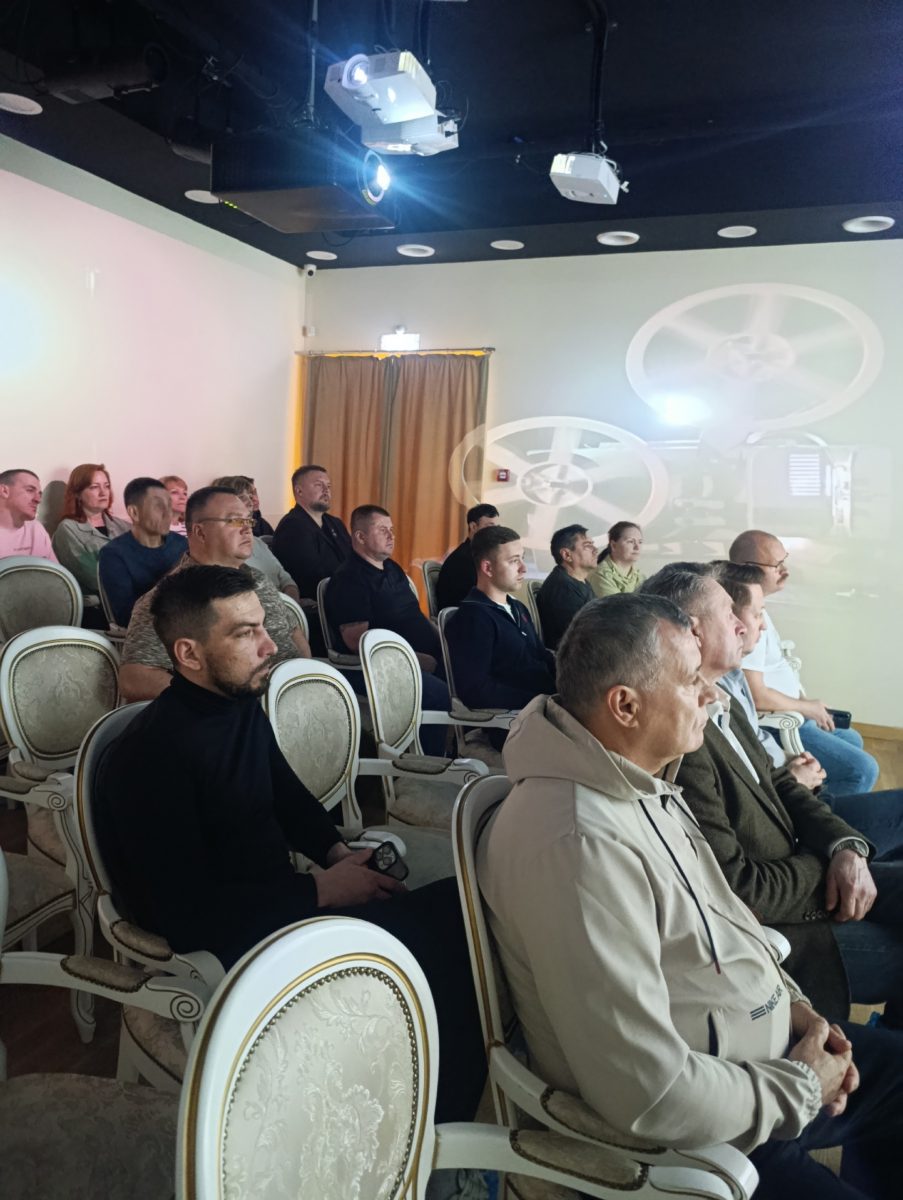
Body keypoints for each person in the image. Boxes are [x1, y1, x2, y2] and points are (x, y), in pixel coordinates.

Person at [479, 592, 903, 1199]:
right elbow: (647, 1092)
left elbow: (732, 924)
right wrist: (802, 1087)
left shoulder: (640, 784)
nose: (713, 695)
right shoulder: (578, 844)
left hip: (765, 1064)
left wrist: (800, 1013)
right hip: (700, 1145)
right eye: (690, 680)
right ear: (625, 705)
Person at [97, 564, 483, 1122]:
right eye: (245, 633)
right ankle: (431, 1130)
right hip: (243, 947)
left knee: (462, 910)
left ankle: (436, 1111)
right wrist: (322, 891)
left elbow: (288, 798)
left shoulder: (236, 704)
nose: (270, 645)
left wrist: (337, 855)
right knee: (443, 956)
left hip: (286, 907)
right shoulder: (149, 757)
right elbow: (187, 917)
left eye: (263, 626)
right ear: (188, 654)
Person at [642, 564, 903, 1028]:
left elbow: (780, 783)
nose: (746, 627)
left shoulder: (719, 699)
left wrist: (845, 846)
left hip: (798, 871)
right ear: (693, 632)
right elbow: (739, 889)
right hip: (784, 927)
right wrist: (827, 862)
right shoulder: (685, 739)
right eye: (731, 615)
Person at [119, 486, 310, 702]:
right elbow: (133, 679)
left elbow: (293, 631)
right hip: (241, 710)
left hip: (297, 700)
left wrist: (307, 678)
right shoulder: (171, 598)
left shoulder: (258, 579)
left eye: (248, 521)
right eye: (235, 521)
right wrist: (218, 701)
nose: (247, 529)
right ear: (200, 532)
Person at [730, 529, 879, 796]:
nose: (785, 571)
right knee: (863, 770)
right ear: (747, 567)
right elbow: (755, 695)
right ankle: (815, 816)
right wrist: (807, 708)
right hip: (779, 723)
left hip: (795, 714)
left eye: (784, 561)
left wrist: (808, 705)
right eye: (777, 565)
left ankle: (821, 797)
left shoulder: (758, 608)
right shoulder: (745, 620)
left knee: (853, 738)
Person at [714, 561, 826, 789]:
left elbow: (755, 740)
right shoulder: (714, 695)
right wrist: (792, 780)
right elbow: (743, 786)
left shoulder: (734, 676)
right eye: (777, 564)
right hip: (783, 781)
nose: (763, 626)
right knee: (862, 769)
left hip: (784, 772)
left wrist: (790, 760)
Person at [445, 526, 555, 717]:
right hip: (518, 720)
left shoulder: (518, 608)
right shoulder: (473, 618)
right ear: (487, 568)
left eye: (522, 558)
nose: (523, 568)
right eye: (514, 561)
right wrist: (539, 701)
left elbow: (540, 655)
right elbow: (476, 691)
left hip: (546, 705)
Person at [97, 478, 187, 627]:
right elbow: (125, 617)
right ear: (134, 513)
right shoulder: (114, 554)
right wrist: (171, 578)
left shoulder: (182, 544)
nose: (168, 514)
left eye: (169, 505)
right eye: (158, 506)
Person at [51, 463, 131, 627]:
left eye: (106, 486)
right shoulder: (68, 529)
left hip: (130, 604)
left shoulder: (124, 526)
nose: (103, 492)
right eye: (94, 487)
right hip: (97, 610)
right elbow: (95, 578)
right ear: (78, 494)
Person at [210, 475, 298, 600]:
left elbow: (286, 579)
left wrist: (292, 603)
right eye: (248, 497)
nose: (253, 501)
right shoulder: (221, 552)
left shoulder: (259, 543)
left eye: (253, 495)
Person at [271, 465, 352, 600]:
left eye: (328, 486)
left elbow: (352, 559)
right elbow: (310, 578)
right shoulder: (292, 527)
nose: (326, 490)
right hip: (321, 601)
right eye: (318, 485)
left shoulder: (335, 523)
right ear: (299, 491)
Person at [535, 523, 596, 650]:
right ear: (567, 555)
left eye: (592, 544)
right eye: (587, 546)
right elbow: (581, 639)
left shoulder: (578, 580)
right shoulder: (562, 590)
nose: (595, 550)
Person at [435, 503, 500, 613]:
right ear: (473, 527)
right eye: (490, 527)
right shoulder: (462, 559)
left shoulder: (478, 555)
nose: (495, 532)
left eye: (497, 528)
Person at [0, 469, 56, 561]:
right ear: (4, 491)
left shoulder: (36, 529)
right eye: (30, 490)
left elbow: (53, 569)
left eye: (39, 494)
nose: (38, 500)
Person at [589, 521, 644, 597]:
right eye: (630, 541)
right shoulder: (600, 575)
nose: (637, 547)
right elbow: (618, 604)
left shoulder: (640, 577)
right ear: (614, 545)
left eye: (640, 542)